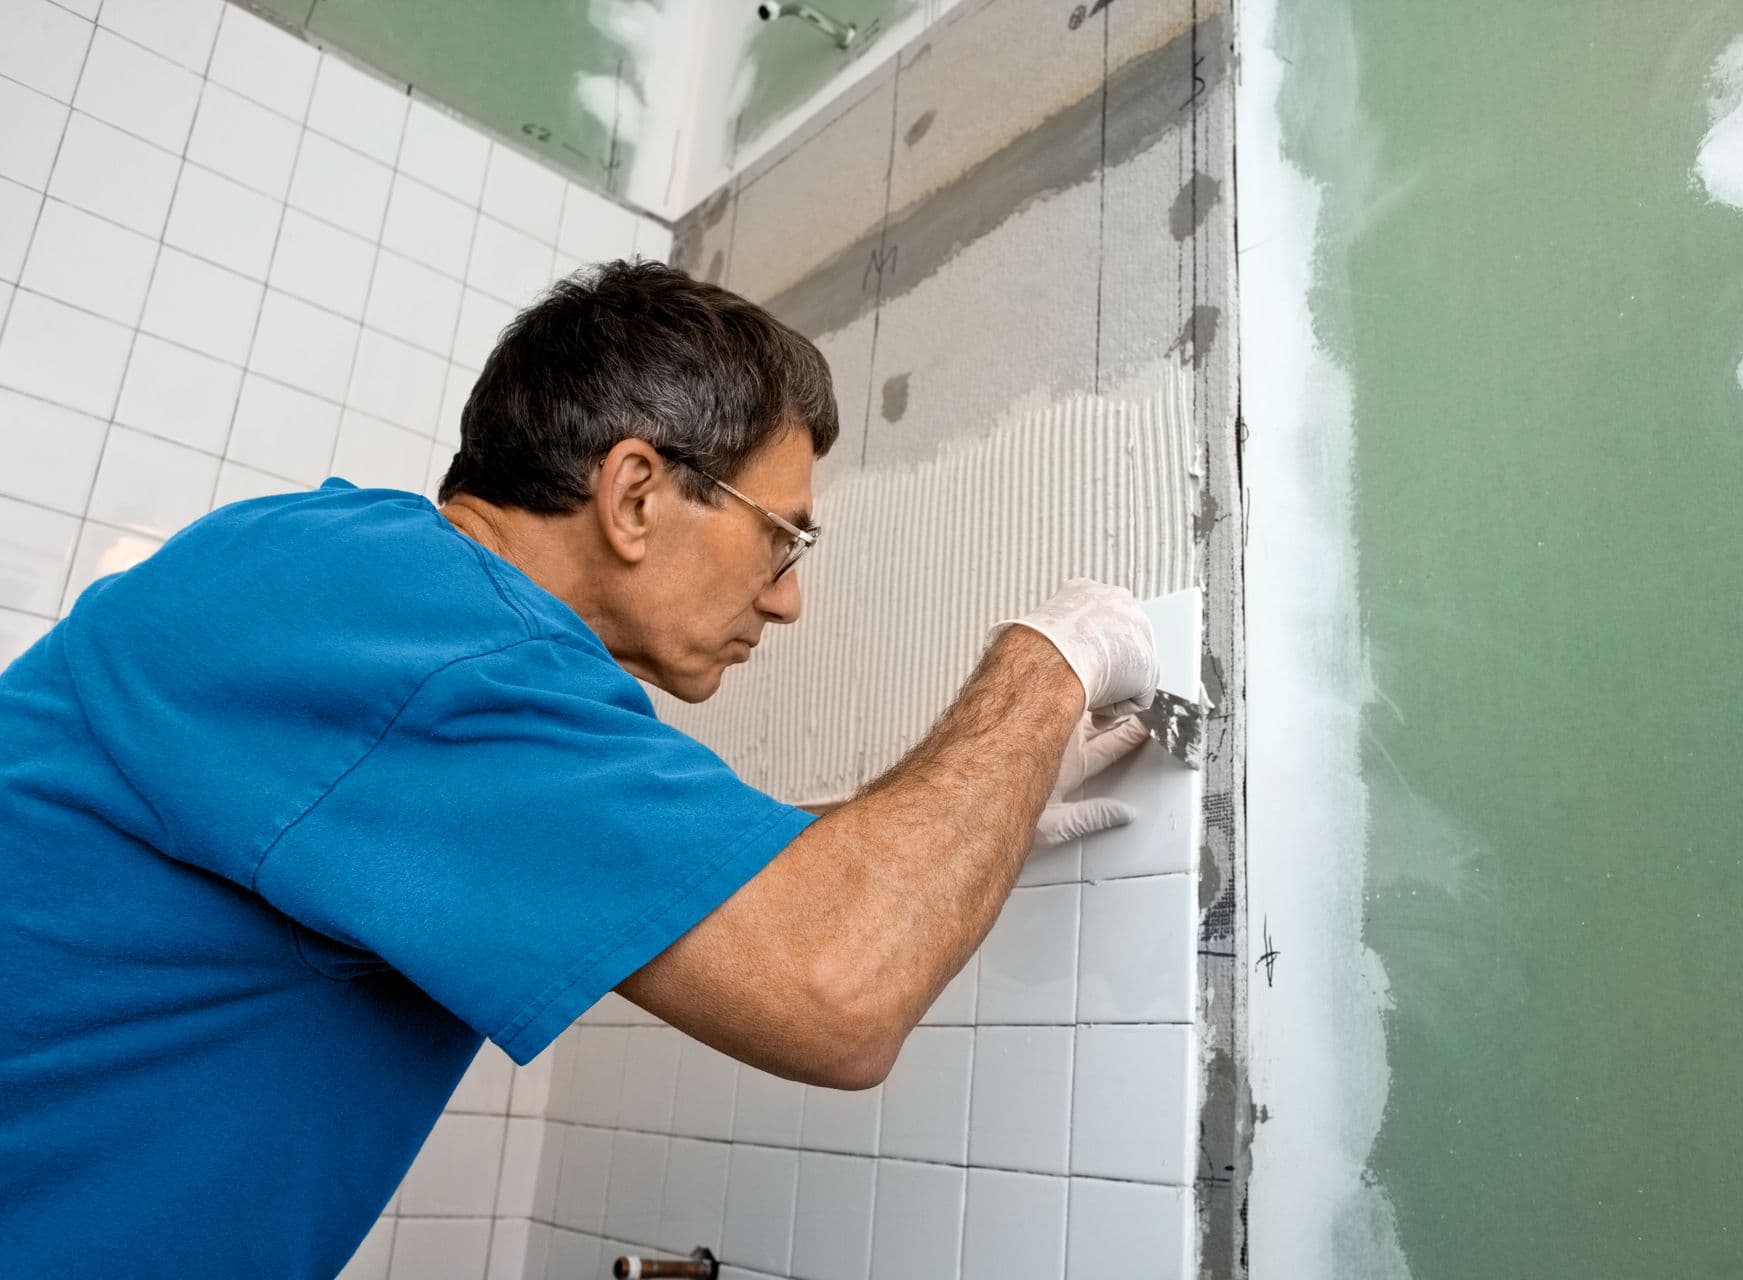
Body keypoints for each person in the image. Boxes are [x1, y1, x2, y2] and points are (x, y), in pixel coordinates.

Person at [0, 260, 1159, 1272]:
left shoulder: (352, 587)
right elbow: (833, 996)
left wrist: (941, 829)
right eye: (786, 535)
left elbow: (639, 880)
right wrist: (1048, 660)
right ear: (636, 493)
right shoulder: (439, 646)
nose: (792, 595)